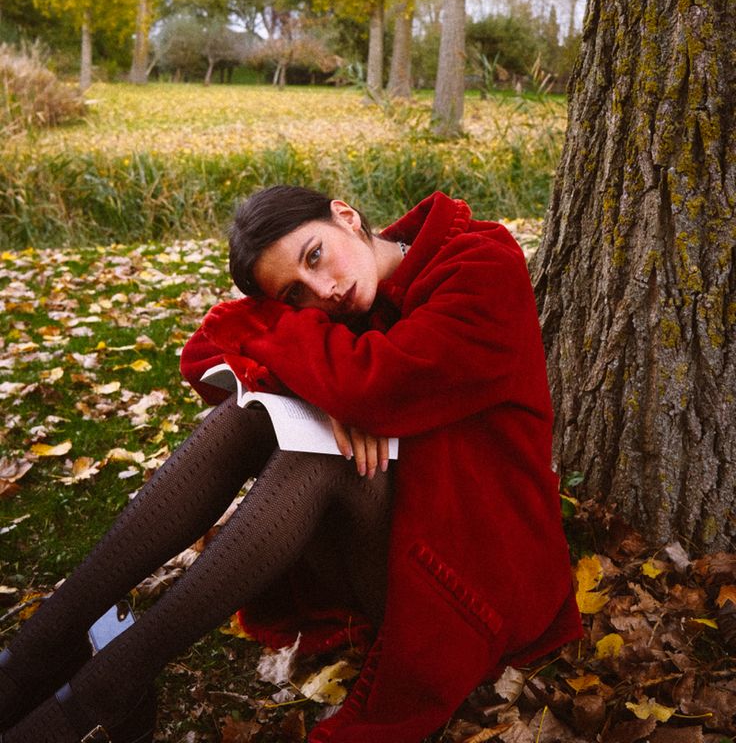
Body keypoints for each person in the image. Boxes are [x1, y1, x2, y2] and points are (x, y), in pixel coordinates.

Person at [0, 186, 581, 743]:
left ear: (346, 216)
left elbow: (378, 386)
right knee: (245, 414)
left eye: (315, 255)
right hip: (397, 539)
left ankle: (104, 693)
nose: (321, 291)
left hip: (481, 569)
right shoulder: (354, 302)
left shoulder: (480, 263)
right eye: (294, 296)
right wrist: (335, 391)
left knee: (319, 459)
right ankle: (42, 648)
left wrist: (343, 388)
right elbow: (206, 349)